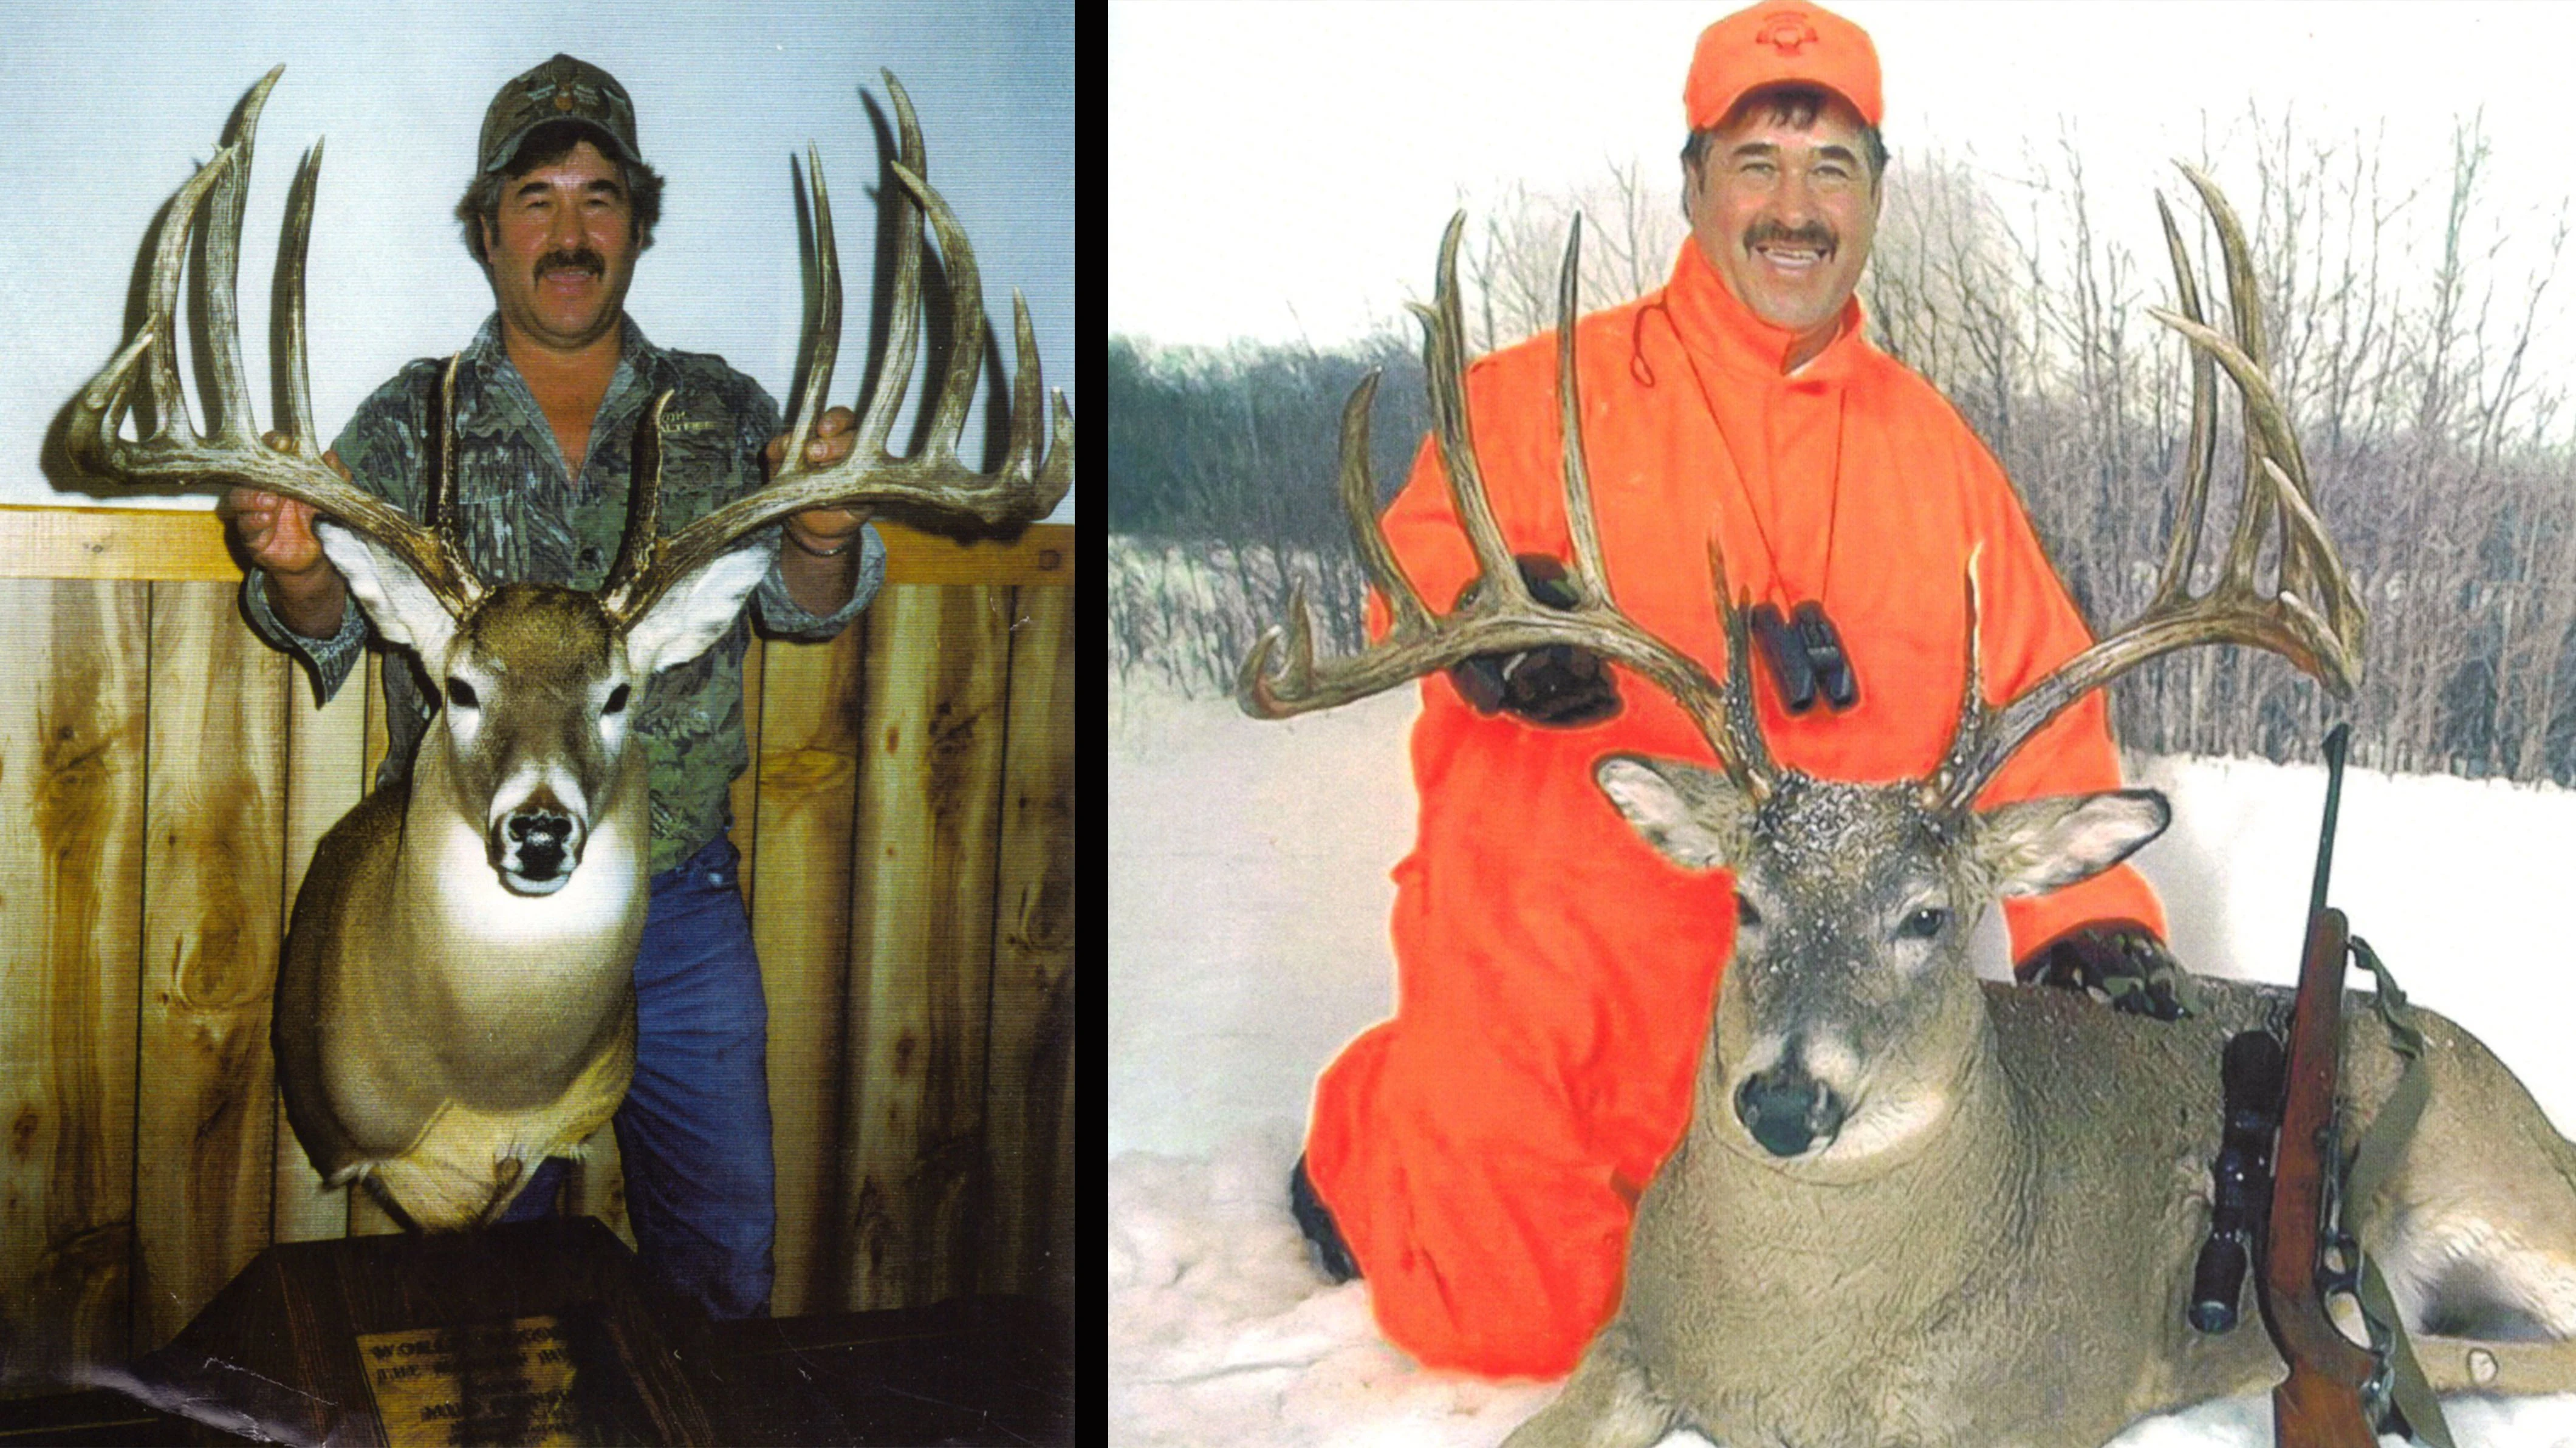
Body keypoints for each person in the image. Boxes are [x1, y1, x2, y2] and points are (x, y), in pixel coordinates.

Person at [1287, 2, 2201, 1378]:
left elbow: (2038, 706)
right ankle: (1376, 1120)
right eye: (1756, 161)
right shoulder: (1540, 397)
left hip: (1820, 983)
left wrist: (2089, 922)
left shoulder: (1933, 453)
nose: (1794, 207)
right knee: (1529, 1325)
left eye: (1831, 166)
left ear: (1876, 197)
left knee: (1813, 1311)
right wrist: (1481, 616)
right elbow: (1409, 568)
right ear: (1693, 182)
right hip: (1555, 963)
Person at [219, 54, 882, 1319]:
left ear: (638, 223)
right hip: (456, 920)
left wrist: (824, 520)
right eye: (536, 199)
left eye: (599, 198)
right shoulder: (410, 421)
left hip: (672, 904)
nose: (568, 233)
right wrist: (296, 565)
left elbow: (805, 605)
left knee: (724, 1258)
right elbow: (328, 629)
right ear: (488, 230)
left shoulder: (731, 415)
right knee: (473, 1296)